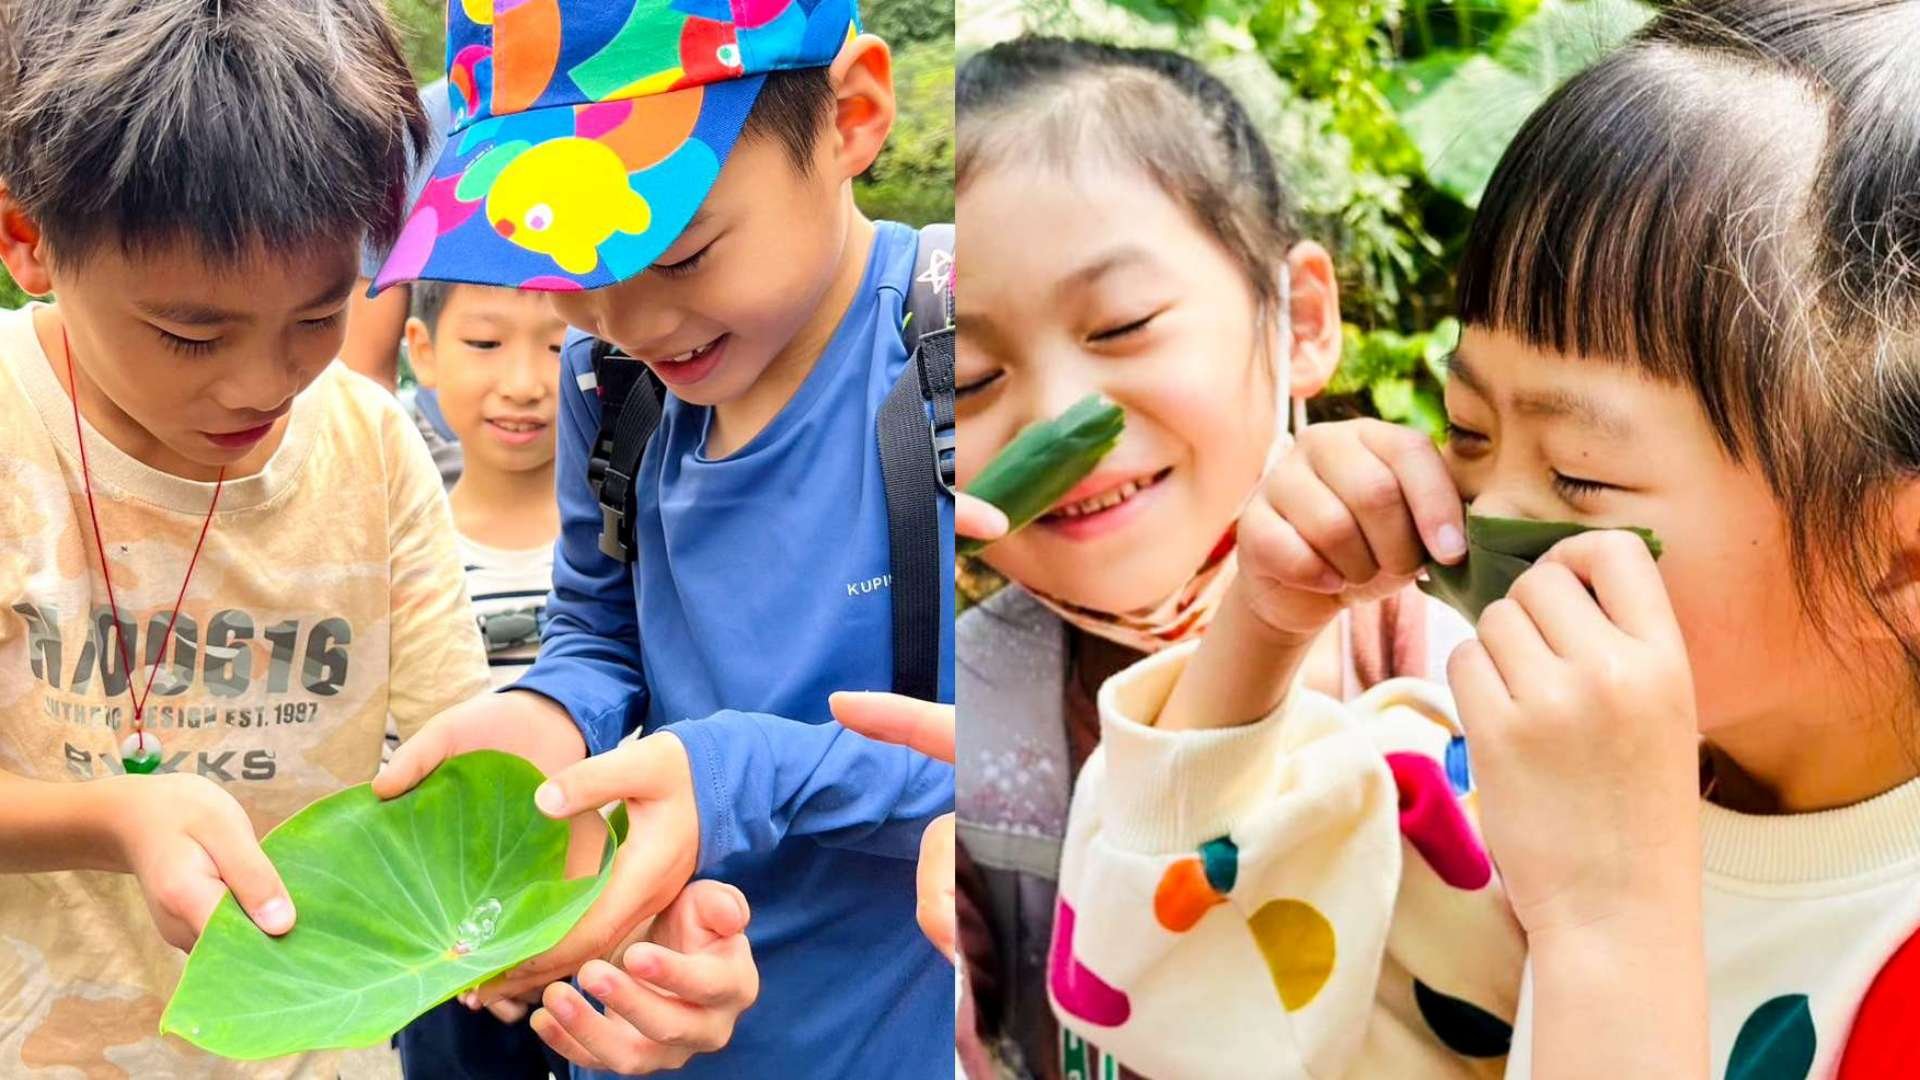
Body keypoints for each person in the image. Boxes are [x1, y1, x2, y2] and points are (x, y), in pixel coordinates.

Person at [1050, 1, 1920, 1075]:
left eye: (1582, 475)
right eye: (1466, 428)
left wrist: (1610, 922)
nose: (1472, 521)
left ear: (1901, 555)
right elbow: (1150, 1009)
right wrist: (1259, 632)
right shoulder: (1491, 787)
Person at [370, 0, 957, 1075]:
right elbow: (599, 629)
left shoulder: (956, 353)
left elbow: (1009, 757)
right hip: (631, 1026)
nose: (626, 317)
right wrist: (548, 720)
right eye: (568, 269)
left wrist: (742, 773)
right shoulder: (609, 377)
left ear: (852, 118)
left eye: (679, 256)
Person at [950, 37, 1471, 1079]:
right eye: (965, 378)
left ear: (1306, 319)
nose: (1057, 415)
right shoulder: (946, 702)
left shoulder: (1442, 660)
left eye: (1125, 324)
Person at [0, 2, 491, 1075]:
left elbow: (468, 744)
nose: (264, 383)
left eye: (321, 317)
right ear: (27, 241)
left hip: (327, 1051)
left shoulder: (370, 444)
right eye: (191, 332)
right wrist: (110, 822)